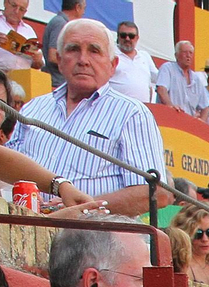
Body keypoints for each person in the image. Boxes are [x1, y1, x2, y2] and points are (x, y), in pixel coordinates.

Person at [9, 20, 170, 217]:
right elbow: (5, 170)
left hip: (95, 233)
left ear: (113, 65)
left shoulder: (131, 114)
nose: (83, 60)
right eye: (73, 49)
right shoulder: (32, 109)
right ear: (59, 59)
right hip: (30, 228)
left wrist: (80, 208)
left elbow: (154, 193)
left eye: (94, 51)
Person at [0, 0, 42, 71]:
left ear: (25, 12)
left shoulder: (29, 30)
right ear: (5, 3)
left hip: (23, 75)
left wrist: (37, 60)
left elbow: (39, 65)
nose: (16, 11)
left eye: (21, 9)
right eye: (14, 5)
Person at [103, 20, 157, 102]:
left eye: (131, 36)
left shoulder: (144, 56)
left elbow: (159, 79)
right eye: (123, 35)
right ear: (118, 36)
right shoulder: (110, 54)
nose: (127, 39)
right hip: (116, 105)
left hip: (142, 106)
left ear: (137, 38)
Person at [154, 40, 207, 115]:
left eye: (190, 53)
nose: (188, 55)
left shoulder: (196, 78)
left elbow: (205, 106)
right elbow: (161, 90)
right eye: (185, 52)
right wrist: (171, 107)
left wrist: (202, 120)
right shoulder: (168, 68)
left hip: (188, 120)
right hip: (168, 117)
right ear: (176, 55)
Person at [40, 0, 83, 86]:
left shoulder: (61, 22)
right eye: (83, 8)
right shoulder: (60, 24)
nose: (83, 13)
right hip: (56, 84)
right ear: (77, 7)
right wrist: (75, 65)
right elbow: (53, 56)